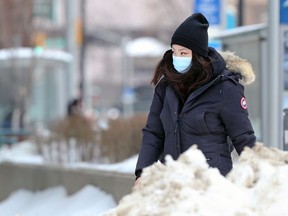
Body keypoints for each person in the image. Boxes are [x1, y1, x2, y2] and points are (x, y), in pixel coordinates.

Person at [135, 13, 256, 183]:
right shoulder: (166, 87)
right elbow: (154, 133)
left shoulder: (225, 87)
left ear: (198, 55)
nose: (177, 58)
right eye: (175, 52)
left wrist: (258, 176)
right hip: (173, 181)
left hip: (211, 182)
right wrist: (142, 172)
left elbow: (243, 136)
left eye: (183, 53)